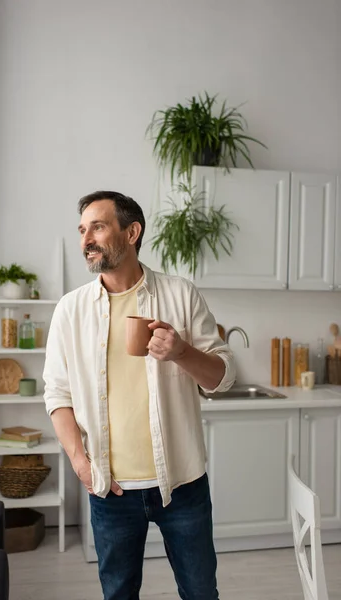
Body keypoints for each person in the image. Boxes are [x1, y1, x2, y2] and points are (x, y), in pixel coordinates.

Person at [43, 191, 236, 600]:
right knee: (118, 594)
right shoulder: (70, 310)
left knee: (202, 592)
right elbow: (57, 394)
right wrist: (80, 462)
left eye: (98, 226)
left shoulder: (181, 295)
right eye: (82, 229)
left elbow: (222, 378)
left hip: (182, 484)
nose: (86, 239)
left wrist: (181, 351)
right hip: (110, 488)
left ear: (132, 232)